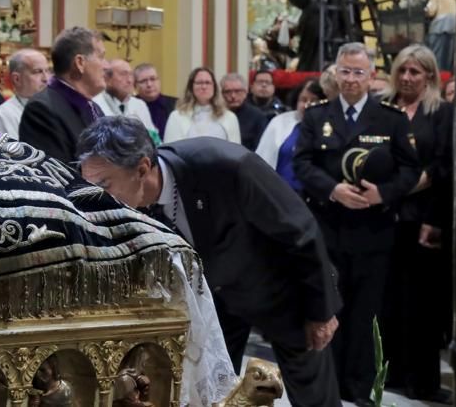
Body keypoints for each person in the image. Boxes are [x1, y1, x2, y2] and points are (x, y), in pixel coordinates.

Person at [77, 116, 341, 407]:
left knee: (314, 397)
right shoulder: (125, 204)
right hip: (217, 301)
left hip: (283, 290)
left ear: (142, 168)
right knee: (216, 394)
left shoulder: (226, 166)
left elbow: (301, 231)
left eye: (104, 183)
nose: (97, 195)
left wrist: (321, 312)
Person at [293, 42, 420, 407]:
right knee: (327, 310)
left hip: (372, 232)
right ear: (335, 73)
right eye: (345, 71)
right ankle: (328, 387)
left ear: (372, 76)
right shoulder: (318, 115)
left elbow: (411, 168)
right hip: (328, 229)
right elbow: (302, 164)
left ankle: (359, 388)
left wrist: (385, 194)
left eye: (358, 72)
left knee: (365, 313)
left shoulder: (391, 118)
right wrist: (332, 189)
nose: (350, 79)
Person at [378, 44, 453, 403]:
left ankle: (423, 381)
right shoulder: (383, 108)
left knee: (424, 303)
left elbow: (444, 166)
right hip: (383, 215)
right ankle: (388, 373)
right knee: (388, 298)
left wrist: (409, 190)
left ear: (429, 76)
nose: (407, 78)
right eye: (403, 71)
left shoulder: (442, 112)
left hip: (424, 217)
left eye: (415, 72)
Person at [19, 26, 107, 164]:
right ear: (80, 63)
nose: (106, 66)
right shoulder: (42, 110)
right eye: (101, 57)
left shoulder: (94, 107)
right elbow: (55, 174)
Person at [255, 79, 324, 192]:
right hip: (279, 194)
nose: (307, 105)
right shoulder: (279, 122)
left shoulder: (329, 127)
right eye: (303, 99)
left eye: (314, 100)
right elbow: (261, 161)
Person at [162, 67, 240, 144]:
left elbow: (236, 152)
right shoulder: (176, 116)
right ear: (191, 87)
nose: (204, 87)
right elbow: (170, 151)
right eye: (199, 83)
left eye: (207, 83)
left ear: (214, 87)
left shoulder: (229, 117)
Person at [0, 48, 50, 138]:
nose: (46, 79)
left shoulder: (54, 108)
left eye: (47, 71)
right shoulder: (4, 116)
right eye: (37, 72)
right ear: (17, 79)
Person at [93, 59, 158, 137]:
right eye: (124, 74)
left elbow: (154, 140)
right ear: (107, 79)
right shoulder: (95, 104)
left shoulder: (140, 105)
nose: (130, 80)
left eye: (131, 75)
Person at [220, 73, 267, 151]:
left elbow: (262, 148)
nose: (233, 96)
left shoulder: (257, 116)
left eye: (238, 91)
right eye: (228, 92)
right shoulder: (217, 115)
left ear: (246, 92)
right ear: (222, 93)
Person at [133, 63, 177, 137]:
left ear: (159, 81)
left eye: (153, 79)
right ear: (135, 85)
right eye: (143, 81)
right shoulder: (131, 105)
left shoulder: (176, 104)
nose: (149, 84)